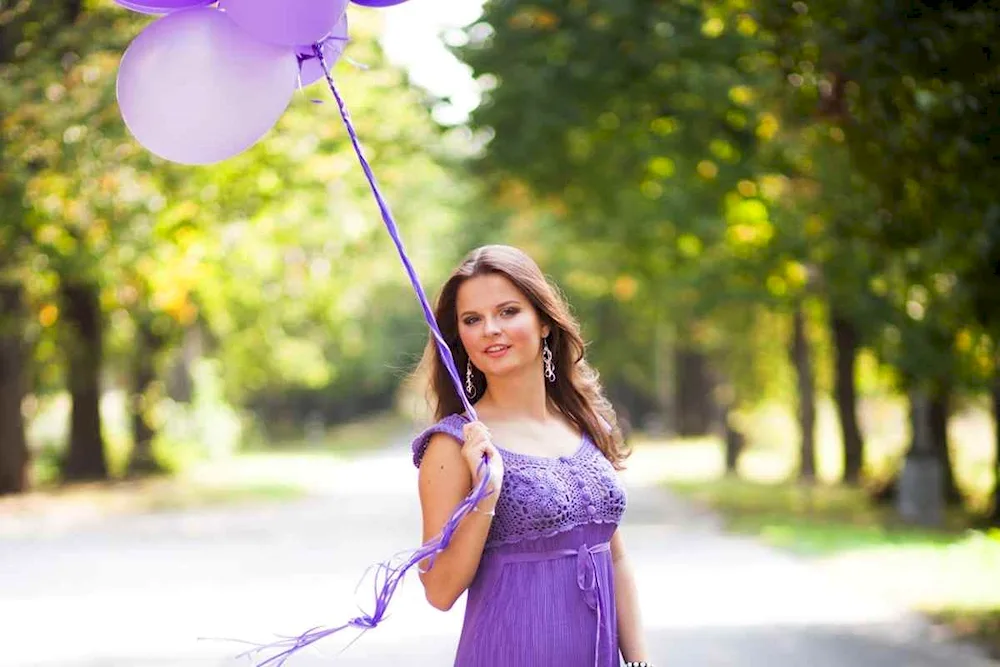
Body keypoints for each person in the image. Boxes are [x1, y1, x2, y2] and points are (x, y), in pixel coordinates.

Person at [410, 245, 652, 667]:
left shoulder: (584, 422)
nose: (490, 329)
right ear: (461, 339)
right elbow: (439, 590)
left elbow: (614, 555)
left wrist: (640, 660)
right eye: (472, 320)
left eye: (508, 311)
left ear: (543, 322)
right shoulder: (453, 446)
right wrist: (487, 493)